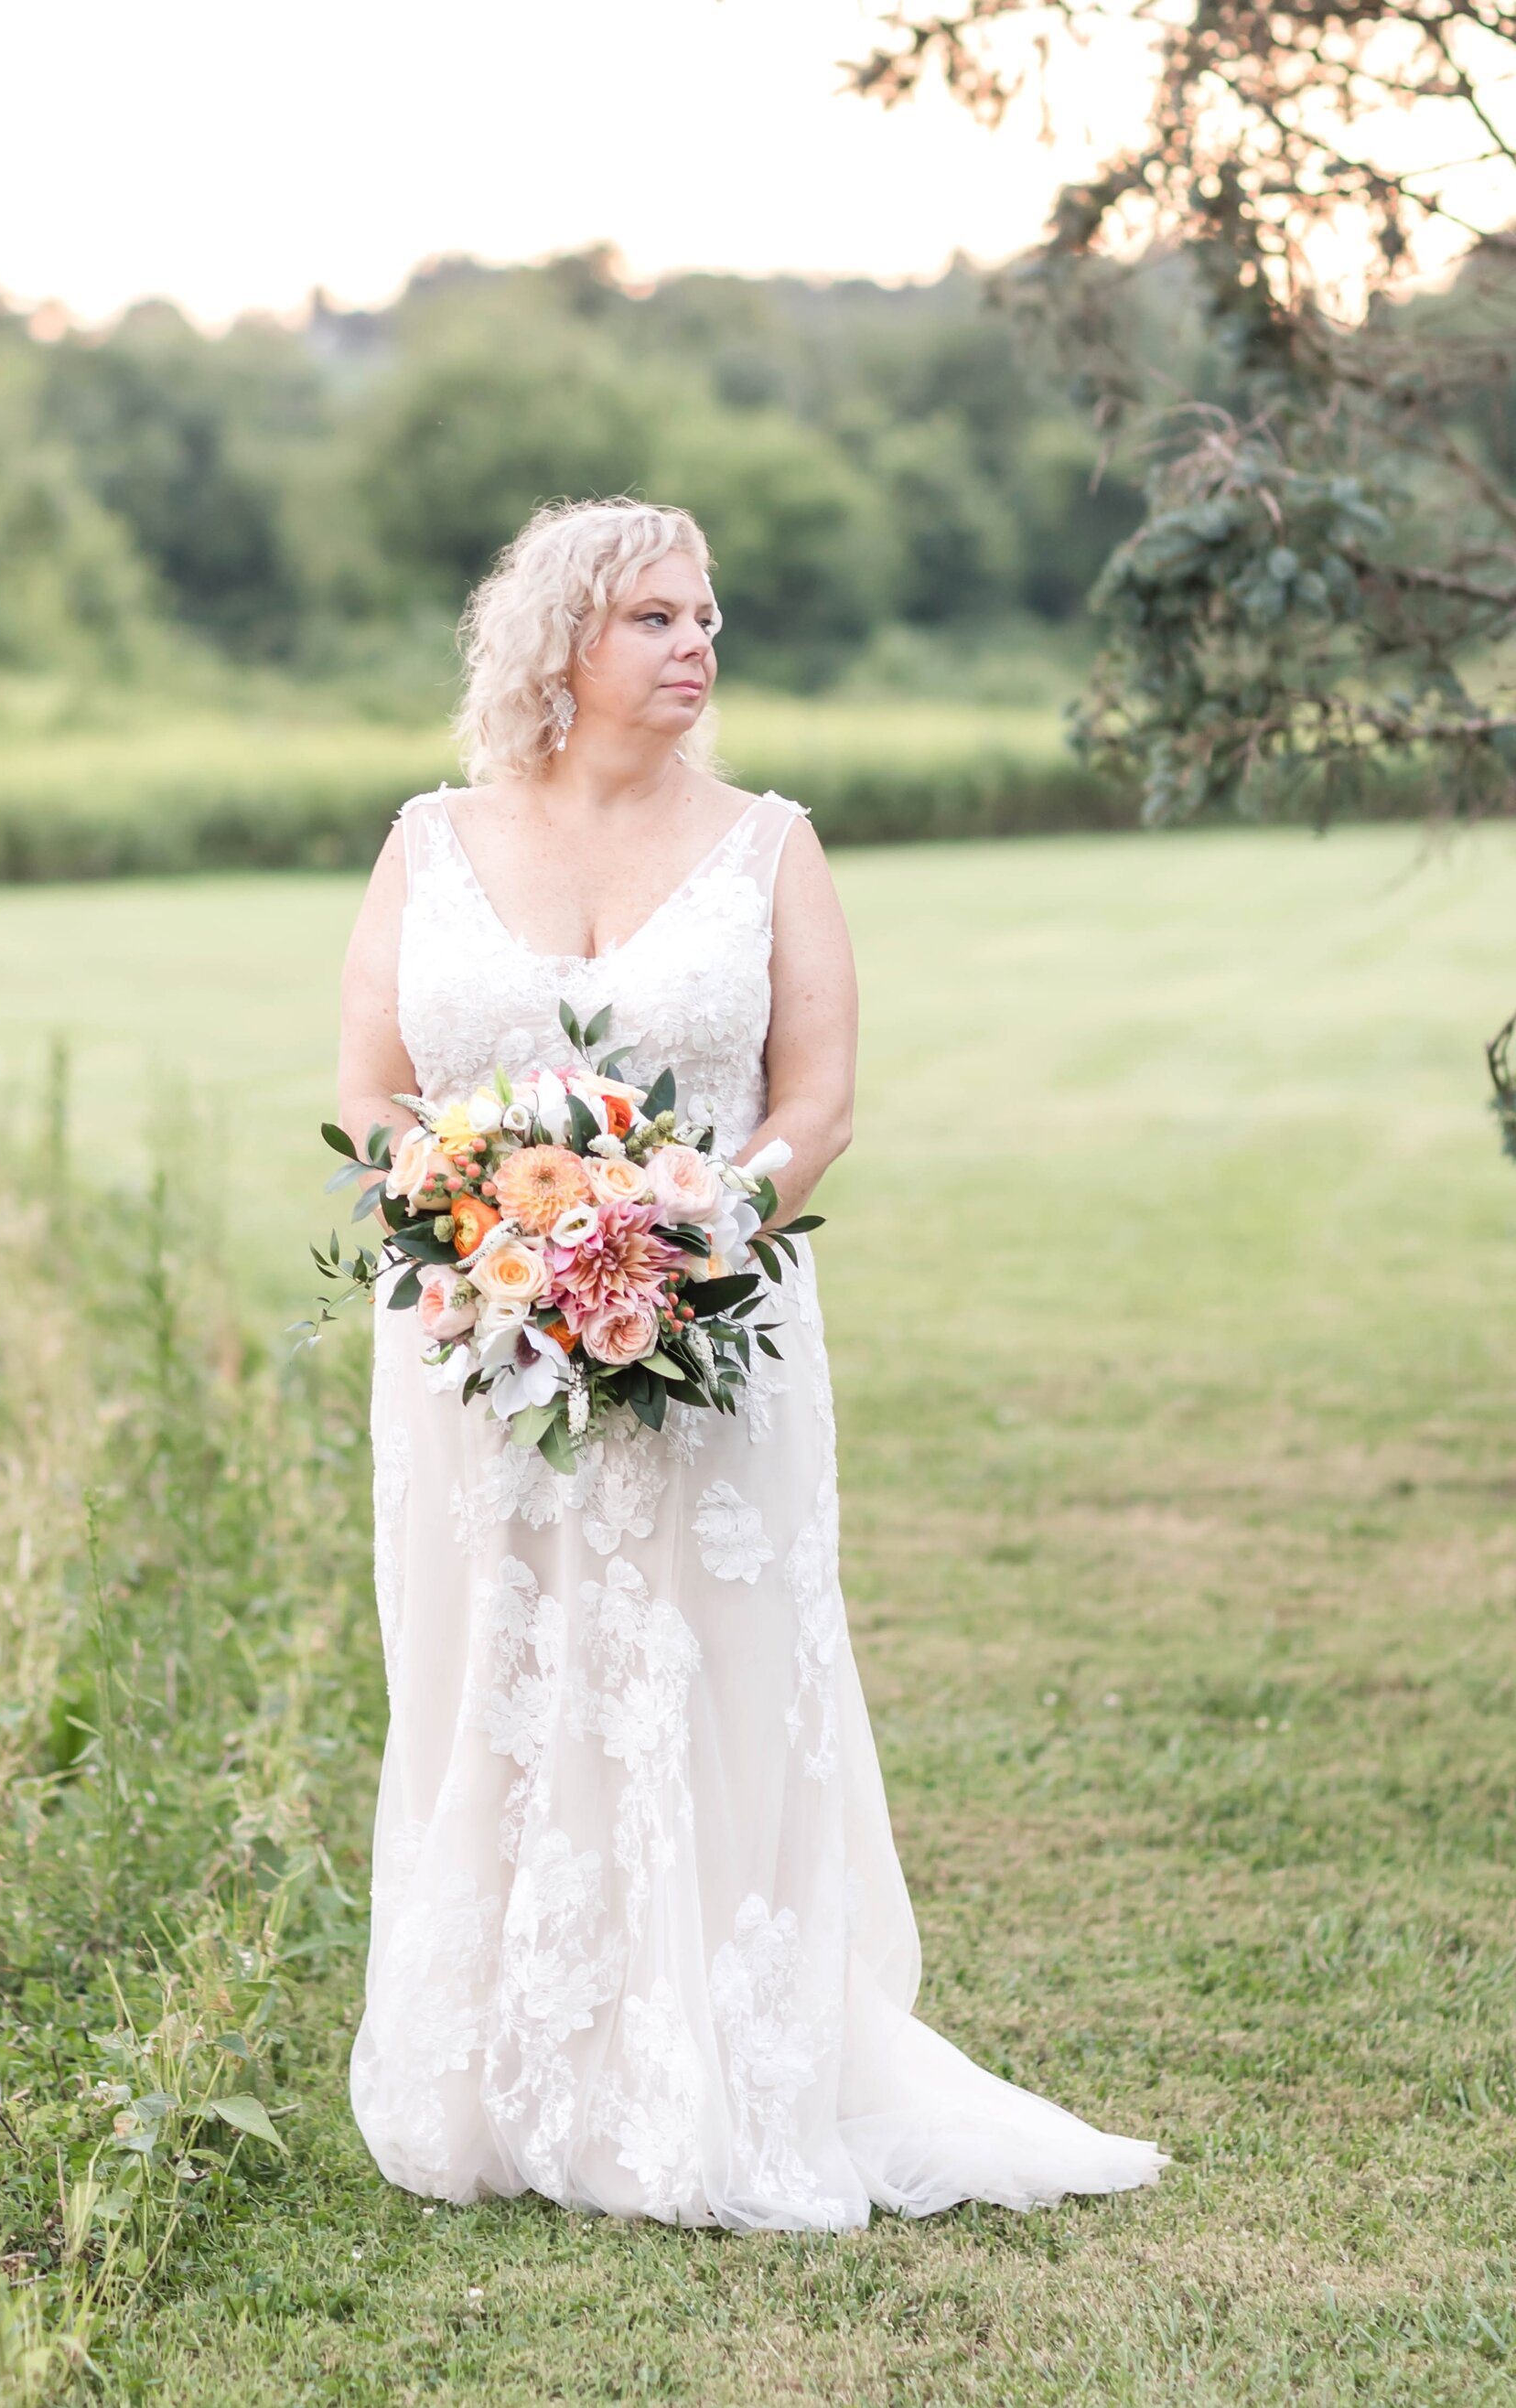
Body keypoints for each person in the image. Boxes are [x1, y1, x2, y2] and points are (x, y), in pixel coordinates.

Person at [334, 497, 1165, 2230]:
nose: (698, 645)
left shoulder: (768, 844)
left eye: (707, 616)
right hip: (476, 1344)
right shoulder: (429, 840)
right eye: (656, 618)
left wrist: (683, 1228)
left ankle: (716, 2071)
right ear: (562, 640)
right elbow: (371, 1093)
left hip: (710, 1328)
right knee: (501, 1675)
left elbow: (819, 1106)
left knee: (709, 1685)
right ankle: (509, 2073)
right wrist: (490, 1230)